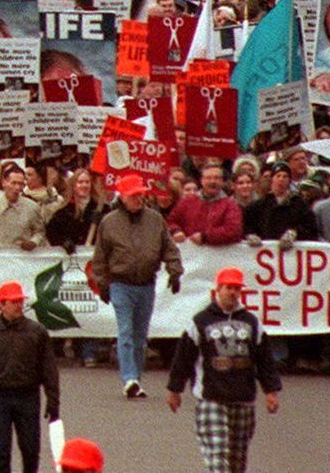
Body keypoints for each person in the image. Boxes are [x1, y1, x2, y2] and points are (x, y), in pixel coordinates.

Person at [167, 266, 281, 473]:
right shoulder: (200, 321)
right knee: (218, 459)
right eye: (229, 287)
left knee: (237, 462)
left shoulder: (252, 322)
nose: (233, 293)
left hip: (243, 398)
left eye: (237, 288)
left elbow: (264, 359)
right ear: (218, 289)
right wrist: (175, 390)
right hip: (211, 398)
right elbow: (183, 357)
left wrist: (271, 390)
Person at [88, 173, 182, 399]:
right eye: (133, 195)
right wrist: (102, 284)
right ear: (123, 197)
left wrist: (175, 271)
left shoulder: (155, 219)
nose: (138, 198)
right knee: (126, 332)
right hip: (121, 283)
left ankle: (135, 378)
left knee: (140, 335)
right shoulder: (109, 222)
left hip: (146, 284)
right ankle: (129, 377)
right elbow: (99, 258)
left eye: (140, 194)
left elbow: (169, 248)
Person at [0, 281, 60, 473]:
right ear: (1, 305)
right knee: (0, 451)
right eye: (13, 301)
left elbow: (49, 369)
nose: (18, 305)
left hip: (28, 395)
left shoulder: (36, 332)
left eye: (20, 301)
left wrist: (53, 400)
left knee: (31, 448)